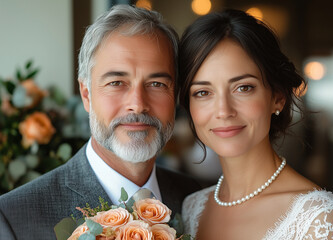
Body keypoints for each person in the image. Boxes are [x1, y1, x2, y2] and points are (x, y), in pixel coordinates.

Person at [0, 5, 200, 239]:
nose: (137, 104)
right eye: (116, 82)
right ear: (86, 94)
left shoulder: (196, 201)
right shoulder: (15, 217)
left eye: (157, 84)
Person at [178, 9, 333, 240]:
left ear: (278, 97)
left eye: (243, 88)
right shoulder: (192, 208)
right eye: (203, 92)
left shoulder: (319, 219)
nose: (223, 111)